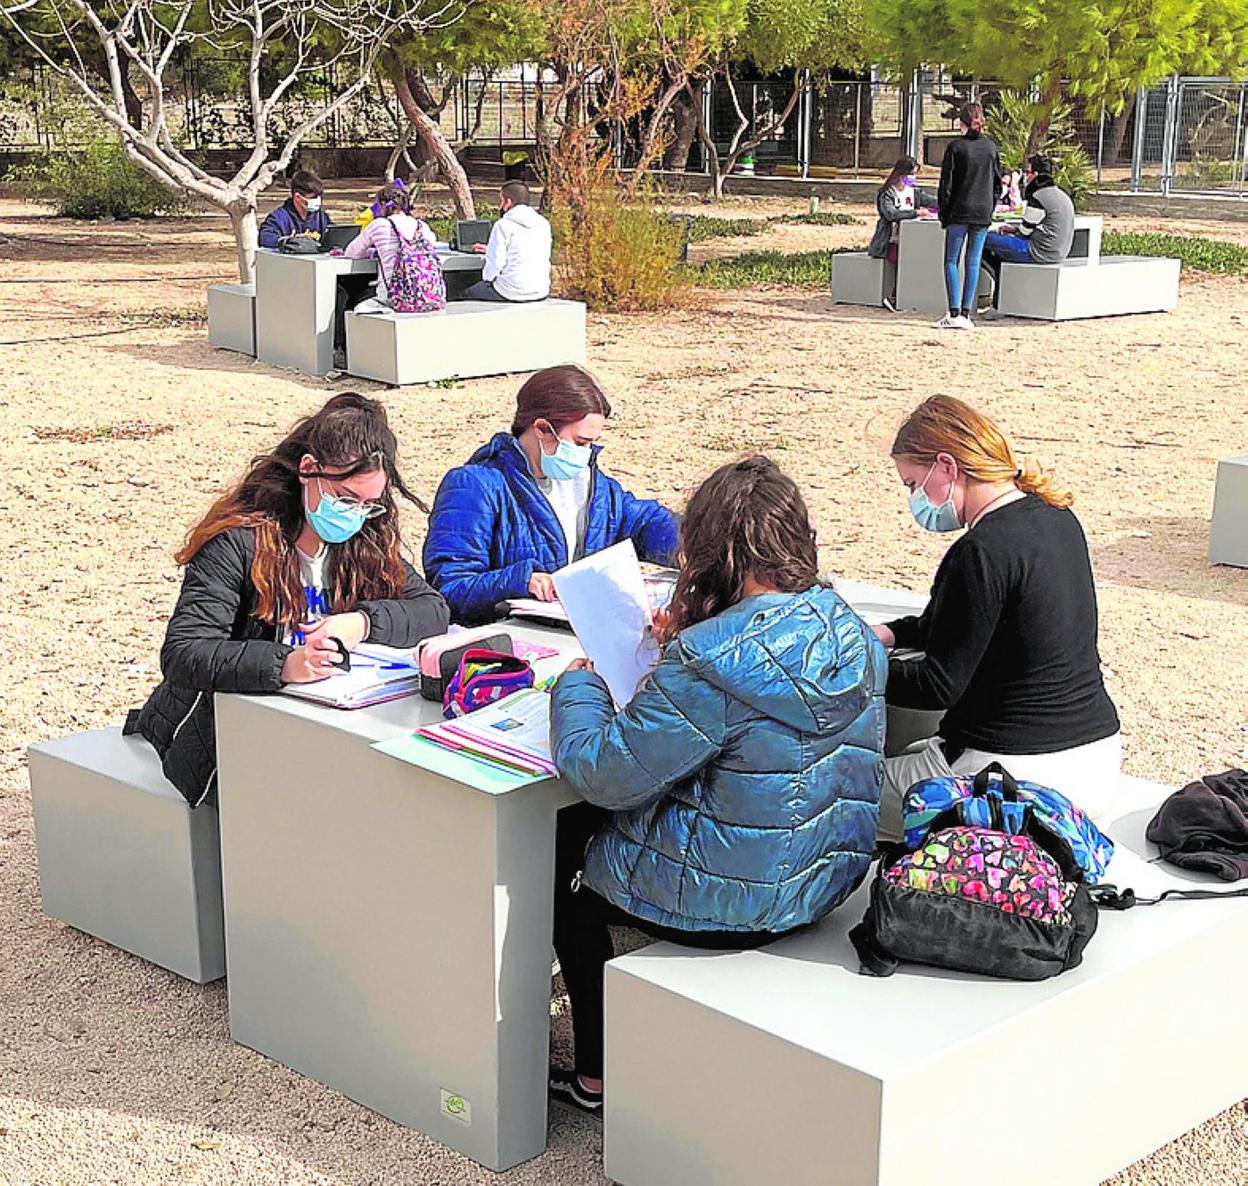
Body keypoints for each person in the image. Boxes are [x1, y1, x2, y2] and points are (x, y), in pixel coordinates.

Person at [546, 456, 887, 1114]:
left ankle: (595, 1072)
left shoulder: (707, 667)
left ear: (714, 548)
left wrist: (580, 684)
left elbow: (600, 772)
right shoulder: (846, 628)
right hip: (823, 875)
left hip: (738, 903)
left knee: (568, 857)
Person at [125, 393, 450, 807]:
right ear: (308, 470)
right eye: (346, 498)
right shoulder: (238, 542)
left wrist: (362, 622)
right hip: (222, 735)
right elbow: (184, 652)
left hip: (321, 723)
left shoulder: (366, 537)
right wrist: (286, 664)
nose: (355, 513)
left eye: (370, 505)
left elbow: (433, 609)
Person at [872, 395, 1122, 840]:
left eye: (913, 484)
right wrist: (890, 633)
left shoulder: (980, 551)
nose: (913, 499)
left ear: (947, 467)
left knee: (842, 796)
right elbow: (955, 625)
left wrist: (855, 665)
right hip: (1097, 764)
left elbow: (937, 686)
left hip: (1017, 777)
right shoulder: (1056, 518)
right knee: (914, 751)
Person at [423, 366, 678, 625]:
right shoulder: (475, 486)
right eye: (580, 443)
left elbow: (645, 521)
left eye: (592, 443)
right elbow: (449, 585)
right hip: (510, 639)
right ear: (542, 428)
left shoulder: (593, 486)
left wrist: (699, 544)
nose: (587, 453)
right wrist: (521, 580)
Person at [332, 182, 442, 363]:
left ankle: (342, 352)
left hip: (393, 297)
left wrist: (375, 251)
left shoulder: (380, 225)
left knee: (351, 301)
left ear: (383, 205)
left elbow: (352, 252)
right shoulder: (421, 226)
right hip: (428, 296)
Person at [935, 102, 1002, 330]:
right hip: (982, 212)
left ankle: (953, 312)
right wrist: (990, 207)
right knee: (973, 261)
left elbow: (946, 185)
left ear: (962, 122)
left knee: (952, 260)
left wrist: (943, 213)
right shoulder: (991, 148)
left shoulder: (956, 148)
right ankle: (966, 312)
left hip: (959, 211)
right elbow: (997, 184)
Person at [980, 155, 1076, 312]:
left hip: (1037, 252)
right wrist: (1014, 230)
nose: (1025, 176)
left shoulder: (1039, 197)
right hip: (1057, 252)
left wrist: (1012, 234)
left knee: (981, 238)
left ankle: (999, 283)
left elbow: (1025, 232)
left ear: (1036, 175)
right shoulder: (1060, 194)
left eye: (1027, 172)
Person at [464, 180, 552, 303]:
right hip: (541, 290)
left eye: (501, 201)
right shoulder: (543, 223)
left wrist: (487, 278)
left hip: (510, 291)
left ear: (508, 202)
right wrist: (490, 249)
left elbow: (495, 265)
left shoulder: (503, 225)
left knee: (468, 293)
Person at [867, 156, 919, 311]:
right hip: (891, 240)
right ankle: (893, 297)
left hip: (909, 239)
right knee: (904, 263)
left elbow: (932, 200)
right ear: (902, 174)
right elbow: (890, 214)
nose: (914, 178)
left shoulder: (913, 192)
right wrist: (915, 213)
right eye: (912, 174)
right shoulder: (887, 193)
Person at [258, 169, 332, 249]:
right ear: (297, 197)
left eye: (319, 196)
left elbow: (334, 234)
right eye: (313, 197)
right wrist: (289, 242)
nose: (318, 200)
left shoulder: (321, 217)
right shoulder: (279, 218)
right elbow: (265, 239)